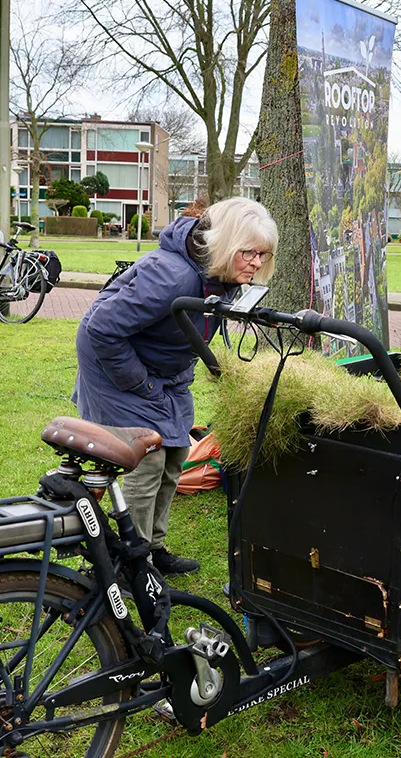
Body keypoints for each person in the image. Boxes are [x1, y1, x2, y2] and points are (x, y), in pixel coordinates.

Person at [73, 197, 278, 576]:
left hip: (166, 372)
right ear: (224, 243)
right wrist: (141, 383)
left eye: (264, 255)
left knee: (175, 455)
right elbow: (100, 329)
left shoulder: (220, 275)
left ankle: (153, 547)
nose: (257, 263)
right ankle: (128, 560)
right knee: (146, 461)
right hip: (118, 369)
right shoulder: (171, 275)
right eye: (249, 252)